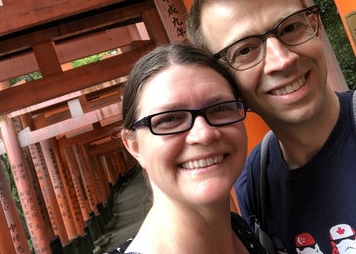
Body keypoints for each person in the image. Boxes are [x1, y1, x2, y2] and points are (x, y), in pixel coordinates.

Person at [186, 0, 356, 253]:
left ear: (313, 23)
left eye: (290, 28)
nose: (282, 60)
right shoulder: (255, 186)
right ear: (224, 81)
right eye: (246, 49)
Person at [110, 43, 268, 253]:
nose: (204, 134)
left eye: (220, 108)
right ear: (135, 146)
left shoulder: (241, 230)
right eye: (170, 119)